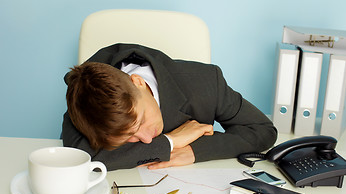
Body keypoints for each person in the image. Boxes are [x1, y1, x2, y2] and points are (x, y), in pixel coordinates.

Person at [62, 43, 277, 171]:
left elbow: (262, 130)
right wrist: (170, 142)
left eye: (141, 121)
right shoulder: (84, 97)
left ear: (137, 82)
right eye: (131, 137)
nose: (147, 138)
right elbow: (78, 156)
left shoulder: (206, 83)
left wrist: (196, 150)